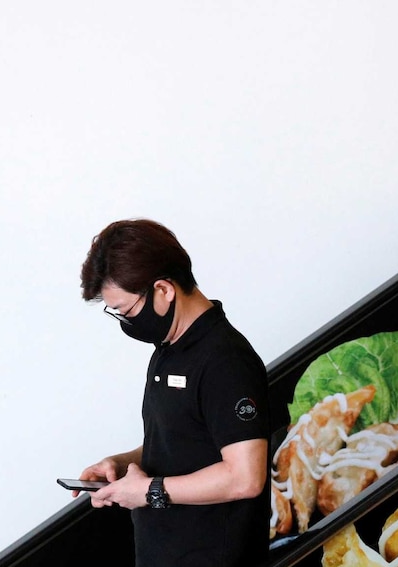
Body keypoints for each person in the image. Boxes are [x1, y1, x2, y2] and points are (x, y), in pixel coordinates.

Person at [75, 219, 271, 567]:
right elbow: (182, 439)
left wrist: (149, 491)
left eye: (126, 311)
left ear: (164, 290)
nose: (125, 322)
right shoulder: (168, 349)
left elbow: (245, 477)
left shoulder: (225, 360)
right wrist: (122, 465)